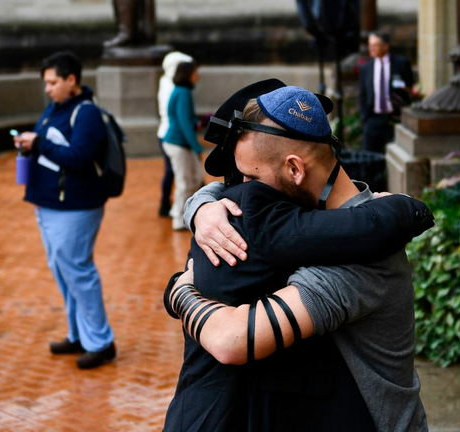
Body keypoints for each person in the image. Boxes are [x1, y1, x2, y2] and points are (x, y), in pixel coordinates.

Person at [162, 81, 430, 431]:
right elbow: (226, 192)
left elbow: (233, 340)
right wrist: (202, 206)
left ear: (295, 169)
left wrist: (180, 292)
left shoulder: (360, 256)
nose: (242, 191)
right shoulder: (322, 217)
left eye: (250, 178)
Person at [13, 51, 117, 370]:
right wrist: (29, 144)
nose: (48, 88)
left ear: (71, 80)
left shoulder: (86, 113)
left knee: (79, 273)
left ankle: (101, 342)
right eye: (46, 82)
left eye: (53, 82)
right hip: (48, 204)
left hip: (75, 207)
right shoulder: (55, 108)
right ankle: (77, 335)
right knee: (64, 273)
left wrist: (39, 143)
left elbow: (79, 157)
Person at [162, 60, 204, 230]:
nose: (197, 75)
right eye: (195, 71)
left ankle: (178, 212)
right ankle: (179, 219)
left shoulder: (181, 91)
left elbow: (187, 119)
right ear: (188, 74)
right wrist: (196, 146)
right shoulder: (183, 93)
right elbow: (184, 123)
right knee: (185, 182)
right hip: (178, 143)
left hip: (177, 142)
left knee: (190, 181)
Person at [358, 31, 415, 154]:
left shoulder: (401, 64)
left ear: (385, 46)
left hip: (394, 119)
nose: (371, 48)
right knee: (370, 158)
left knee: (396, 156)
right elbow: (362, 95)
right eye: (370, 45)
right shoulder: (366, 68)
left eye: (375, 45)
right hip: (372, 120)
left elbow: (409, 89)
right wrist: (364, 118)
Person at [157, 51, 194, 218]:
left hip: (167, 134)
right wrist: (195, 144)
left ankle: (168, 206)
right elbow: (182, 118)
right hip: (174, 137)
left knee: (176, 174)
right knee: (180, 176)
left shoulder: (166, 83)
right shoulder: (177, 89)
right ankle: (173, 210)